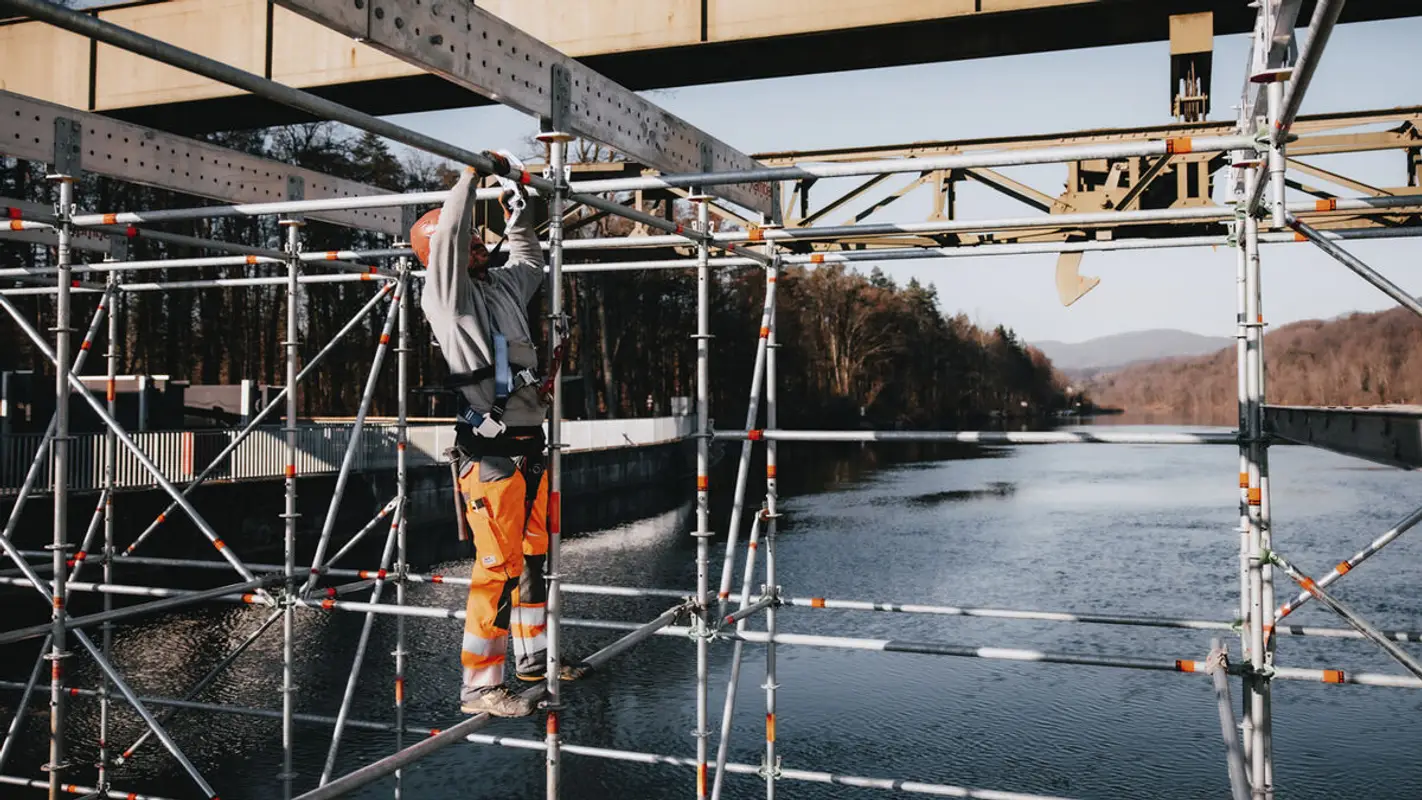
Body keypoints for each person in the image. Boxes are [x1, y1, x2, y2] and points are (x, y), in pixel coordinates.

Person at [412, 154, 584, 718]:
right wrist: (469, 179)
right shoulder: (446, 298)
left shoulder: (502, 286)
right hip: (490, 457)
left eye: (481, 242)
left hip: (527, 448)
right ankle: (480, 686)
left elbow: (530, 257)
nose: (476, 247)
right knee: (498, 568)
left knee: (533, 556)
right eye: (466, 243)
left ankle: (534, 661)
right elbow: (451, 236)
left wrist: (519, 208)